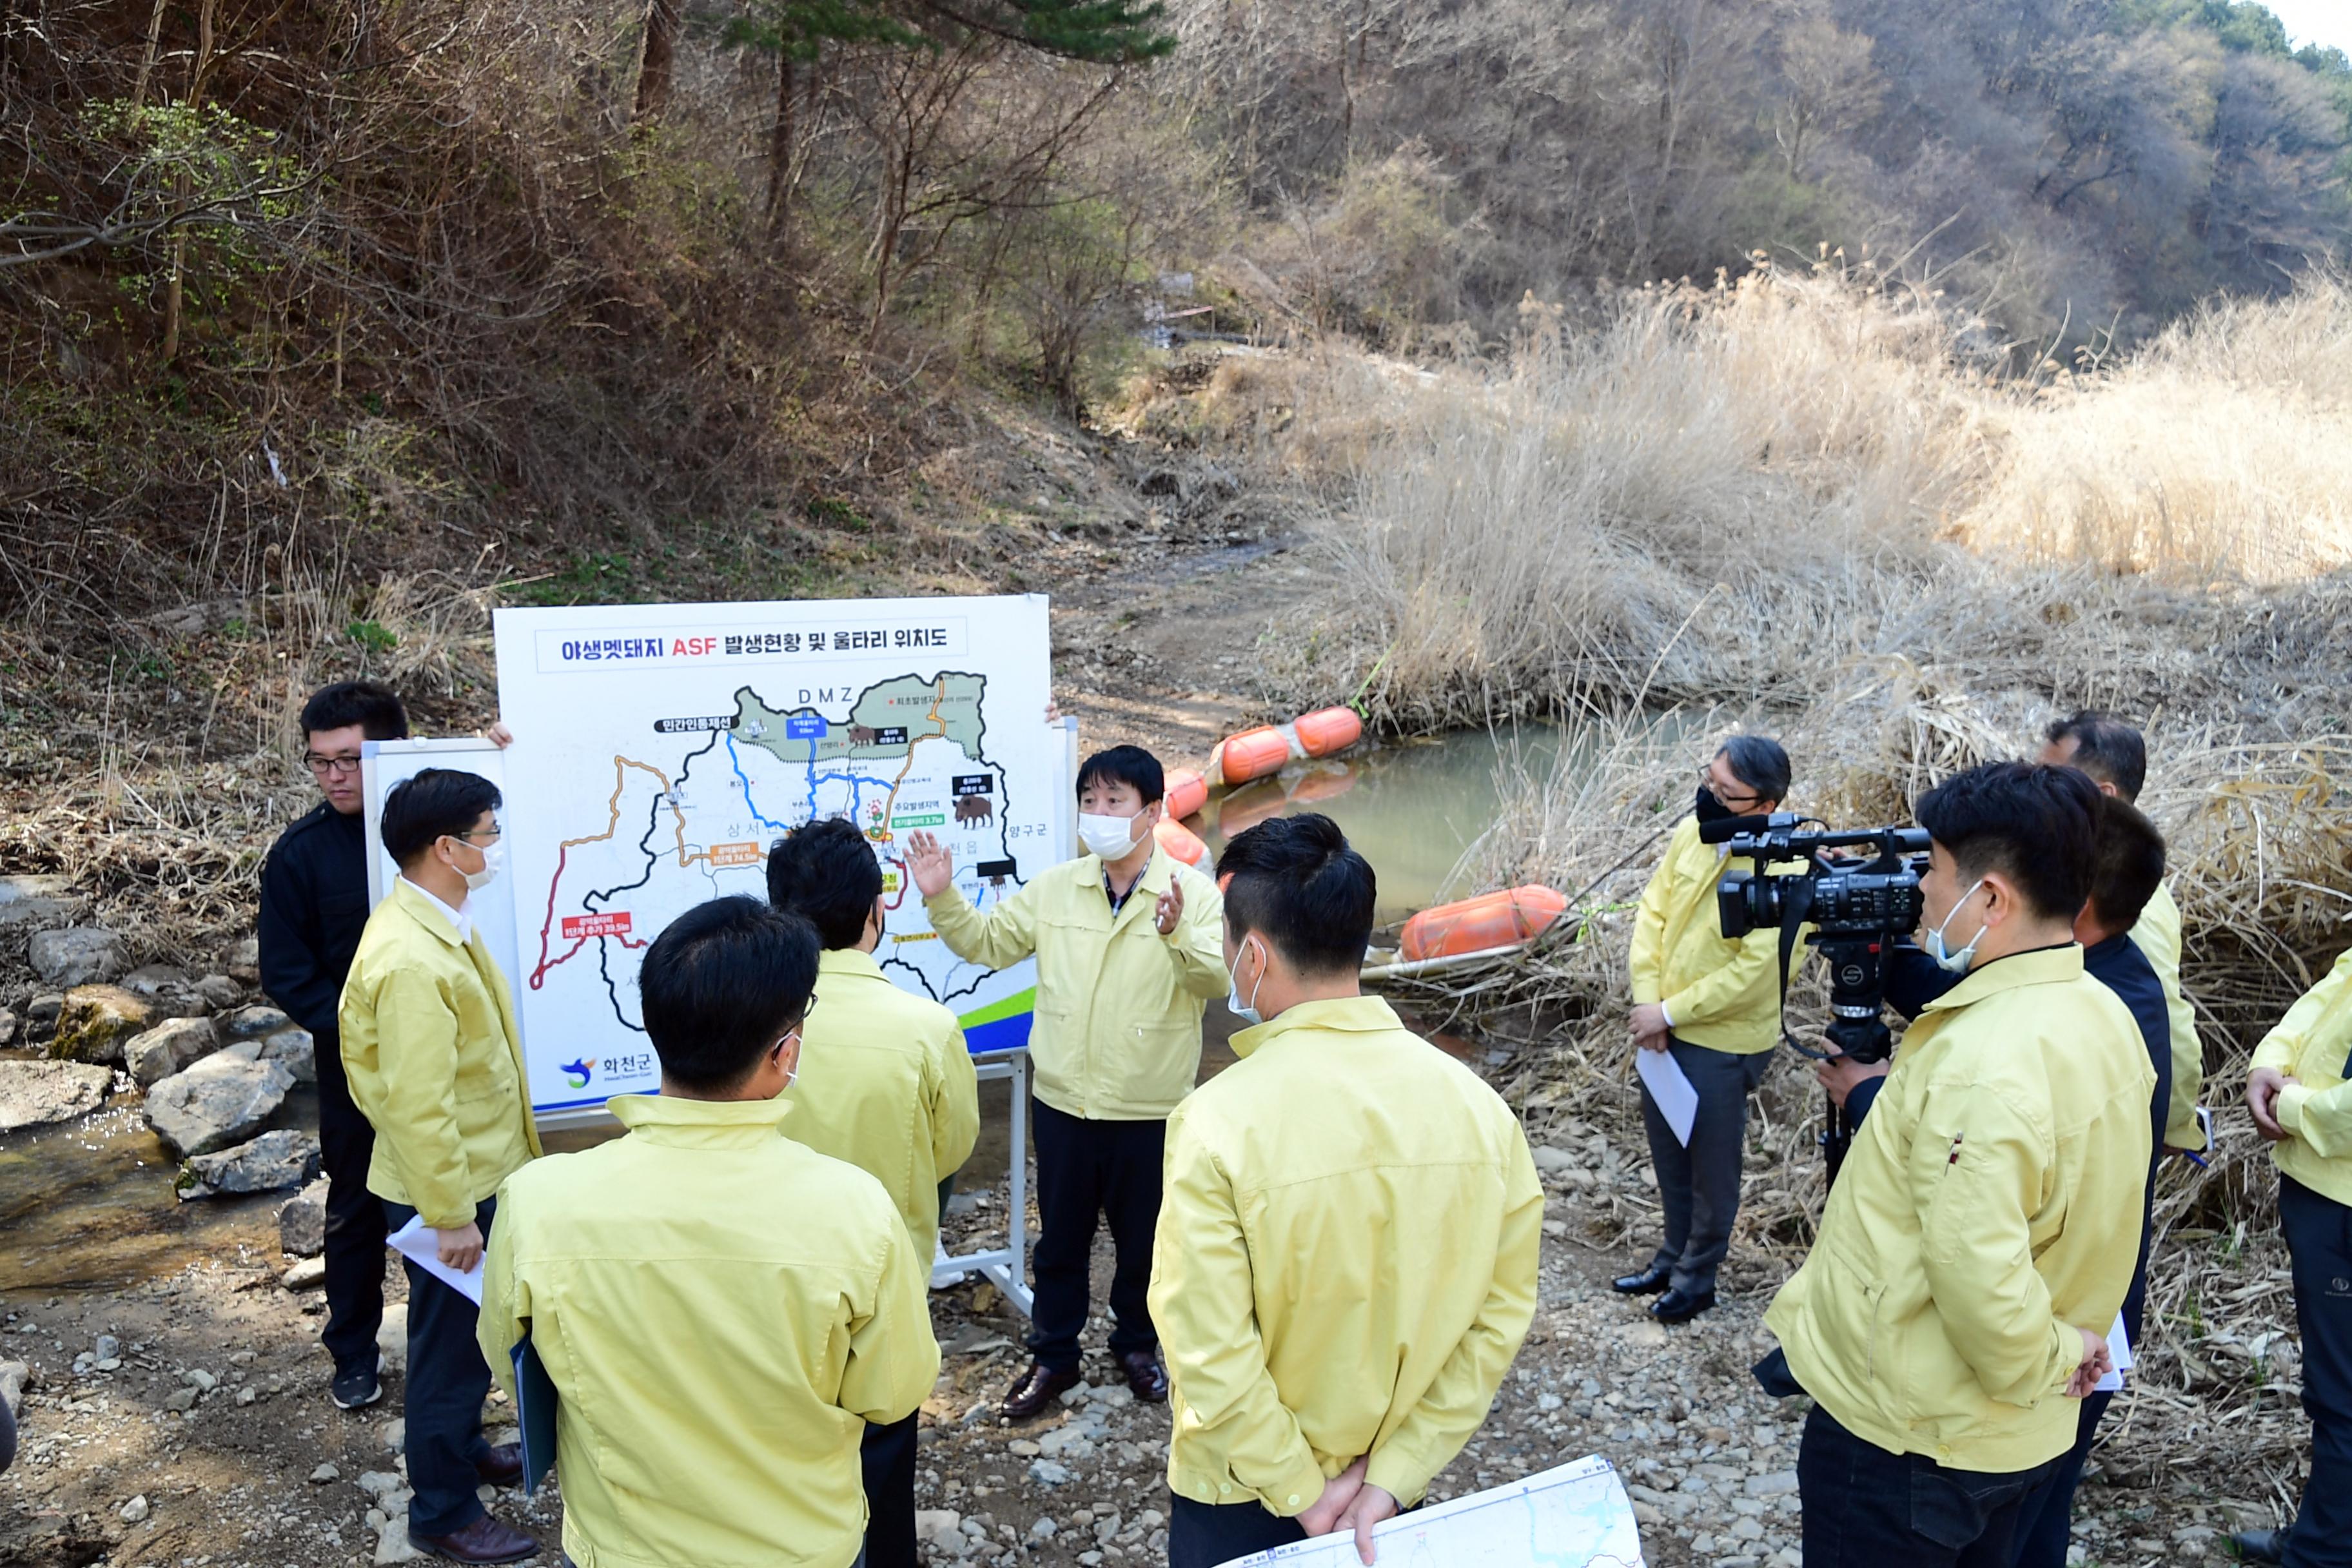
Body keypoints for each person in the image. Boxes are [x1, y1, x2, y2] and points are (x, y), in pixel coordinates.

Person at [1761, 761, 2154, 1568]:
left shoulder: (1982, 1064)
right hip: (2018, 1440)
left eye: (1935, 871)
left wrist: (2055, 1357)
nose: (1921, 893)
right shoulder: (2105, 1015)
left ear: (1993, 899)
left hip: (1912, 1443)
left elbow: (1977, 1272)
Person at [479, 896, 938, 1568]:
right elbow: (891, 1392)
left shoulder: (536, 1201)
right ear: (784, 1052)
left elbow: (509, 1366)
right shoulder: (856, 1211)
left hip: (620, 1550)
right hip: (802, 1550)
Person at [1149, 813, 1542, 1568]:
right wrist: (1394, 1475)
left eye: (1228, 942)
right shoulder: (1480, 1110)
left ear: (1253, 953)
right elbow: (1497, 1319)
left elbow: (1204, 1339)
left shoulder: (1217, 1120)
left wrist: (1301, 1489)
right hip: (1383, 1499)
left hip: (1244, 1492)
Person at [905, 743, 1226, 1418]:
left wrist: (1173, 934)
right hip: (1064, 1102)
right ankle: (1054, 1355)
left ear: (1152, 812)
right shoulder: (1058, 887)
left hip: (1150, 1107)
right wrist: (942, 898)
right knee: (1060, 1240)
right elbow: (990, 942)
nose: (1099, 813)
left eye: (1115, 801)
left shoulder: (1189, 894)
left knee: (1144, 1241)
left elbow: (1215, 980)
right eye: (1090, 800)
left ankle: (1138, 1344)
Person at [340, 767, 542, 1565]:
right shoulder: (411, 960)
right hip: (450, 1190)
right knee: (449, 1349)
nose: (496, 845)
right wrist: (452, 1211)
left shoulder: (436, 921)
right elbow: (418, 1104)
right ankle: (443, 1510)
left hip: (477, 1172)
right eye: (487, 833)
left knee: (471, 1335)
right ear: (446, 848)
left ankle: (461, 1453)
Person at [767, 816, 979, 1568]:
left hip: (768, 1281)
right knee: (884, 1441)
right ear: (875, 912)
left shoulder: (754, 1020)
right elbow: (952, 1146)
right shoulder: (926, 1026)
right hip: (883, 1279)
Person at [257, 680, 410, 1411]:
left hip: (459, 1058)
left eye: (349, 759)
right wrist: (363, 1034)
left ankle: (477, 1341)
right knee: (355, 1207)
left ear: (391, 750)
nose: (335, 776)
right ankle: (353, 1351)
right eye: (321, 763)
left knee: (473, 1197)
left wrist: (503, 749)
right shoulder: (300, 856)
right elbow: (288, 974)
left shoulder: (445, 827)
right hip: (353, 1064)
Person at [1616, 735, 1796, 1324]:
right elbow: (1652, 915)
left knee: (1711, 1169)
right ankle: (1670, 1259)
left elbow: (1757, 969)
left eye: (1728, 792)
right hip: (1661, 1028)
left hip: (1723, 1040)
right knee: (1669, 1155)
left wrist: (1671, 1014)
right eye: (1710, 781)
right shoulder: (1694, 832)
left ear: (1765, 806)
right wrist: (1651, 1008)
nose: (1711, 795)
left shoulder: (1784, 864)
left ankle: (1698, 1280)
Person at [2038, 712, 2206, 1154]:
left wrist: (2171, 1125)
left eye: (2050, 780)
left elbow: (2166, 1021)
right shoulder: (2089, 875)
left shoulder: (2124, 904)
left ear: (2102, 796)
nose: (2034, 792)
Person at [2241, 944, 2352, 1568]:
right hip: (2326, 1192)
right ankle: (2327, 1533)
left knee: (2343, 1396)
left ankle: (2322, 1553)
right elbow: (2331, 992)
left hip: (2344, 1204)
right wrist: (2270, 1060)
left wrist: (2289, 1106)